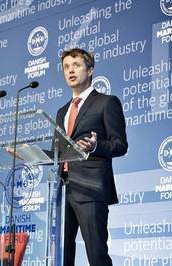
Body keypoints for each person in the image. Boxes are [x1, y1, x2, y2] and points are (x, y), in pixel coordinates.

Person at [56, 48, 128, 266]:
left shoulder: (106, 102)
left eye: (76, 65)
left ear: (90, 71)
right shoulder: (62, 112)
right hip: (62, 191)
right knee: (61, 256)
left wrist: (96, 146)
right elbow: (60, 154)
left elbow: (120, 145)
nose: (70, 70)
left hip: (91, 188)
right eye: (66, 66)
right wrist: (29, 155)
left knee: (96, 256)